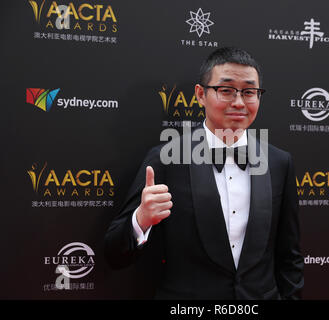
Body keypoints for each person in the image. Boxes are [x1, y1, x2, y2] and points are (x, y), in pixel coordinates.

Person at [104, 47, 304, 299]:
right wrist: (141, 220)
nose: (239, 102)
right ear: (201, 95)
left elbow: (290, 257)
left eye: (249, 92)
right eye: (226, 90)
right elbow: (114, 254)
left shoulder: (279, 162)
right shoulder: (165, 159)